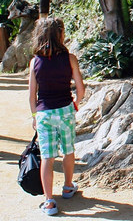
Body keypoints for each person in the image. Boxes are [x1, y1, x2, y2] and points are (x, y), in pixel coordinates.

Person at [27, 17, 85, 216]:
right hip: (65, 110)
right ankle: (68, 186)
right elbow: (80, 88)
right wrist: (75, 103)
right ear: (60, 35)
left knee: (47, 157)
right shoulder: (70, 59)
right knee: (68, 150)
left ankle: (49, 201)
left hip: (44, 112)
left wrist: (34, 115)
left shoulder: (35, 62)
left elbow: (31, 94)